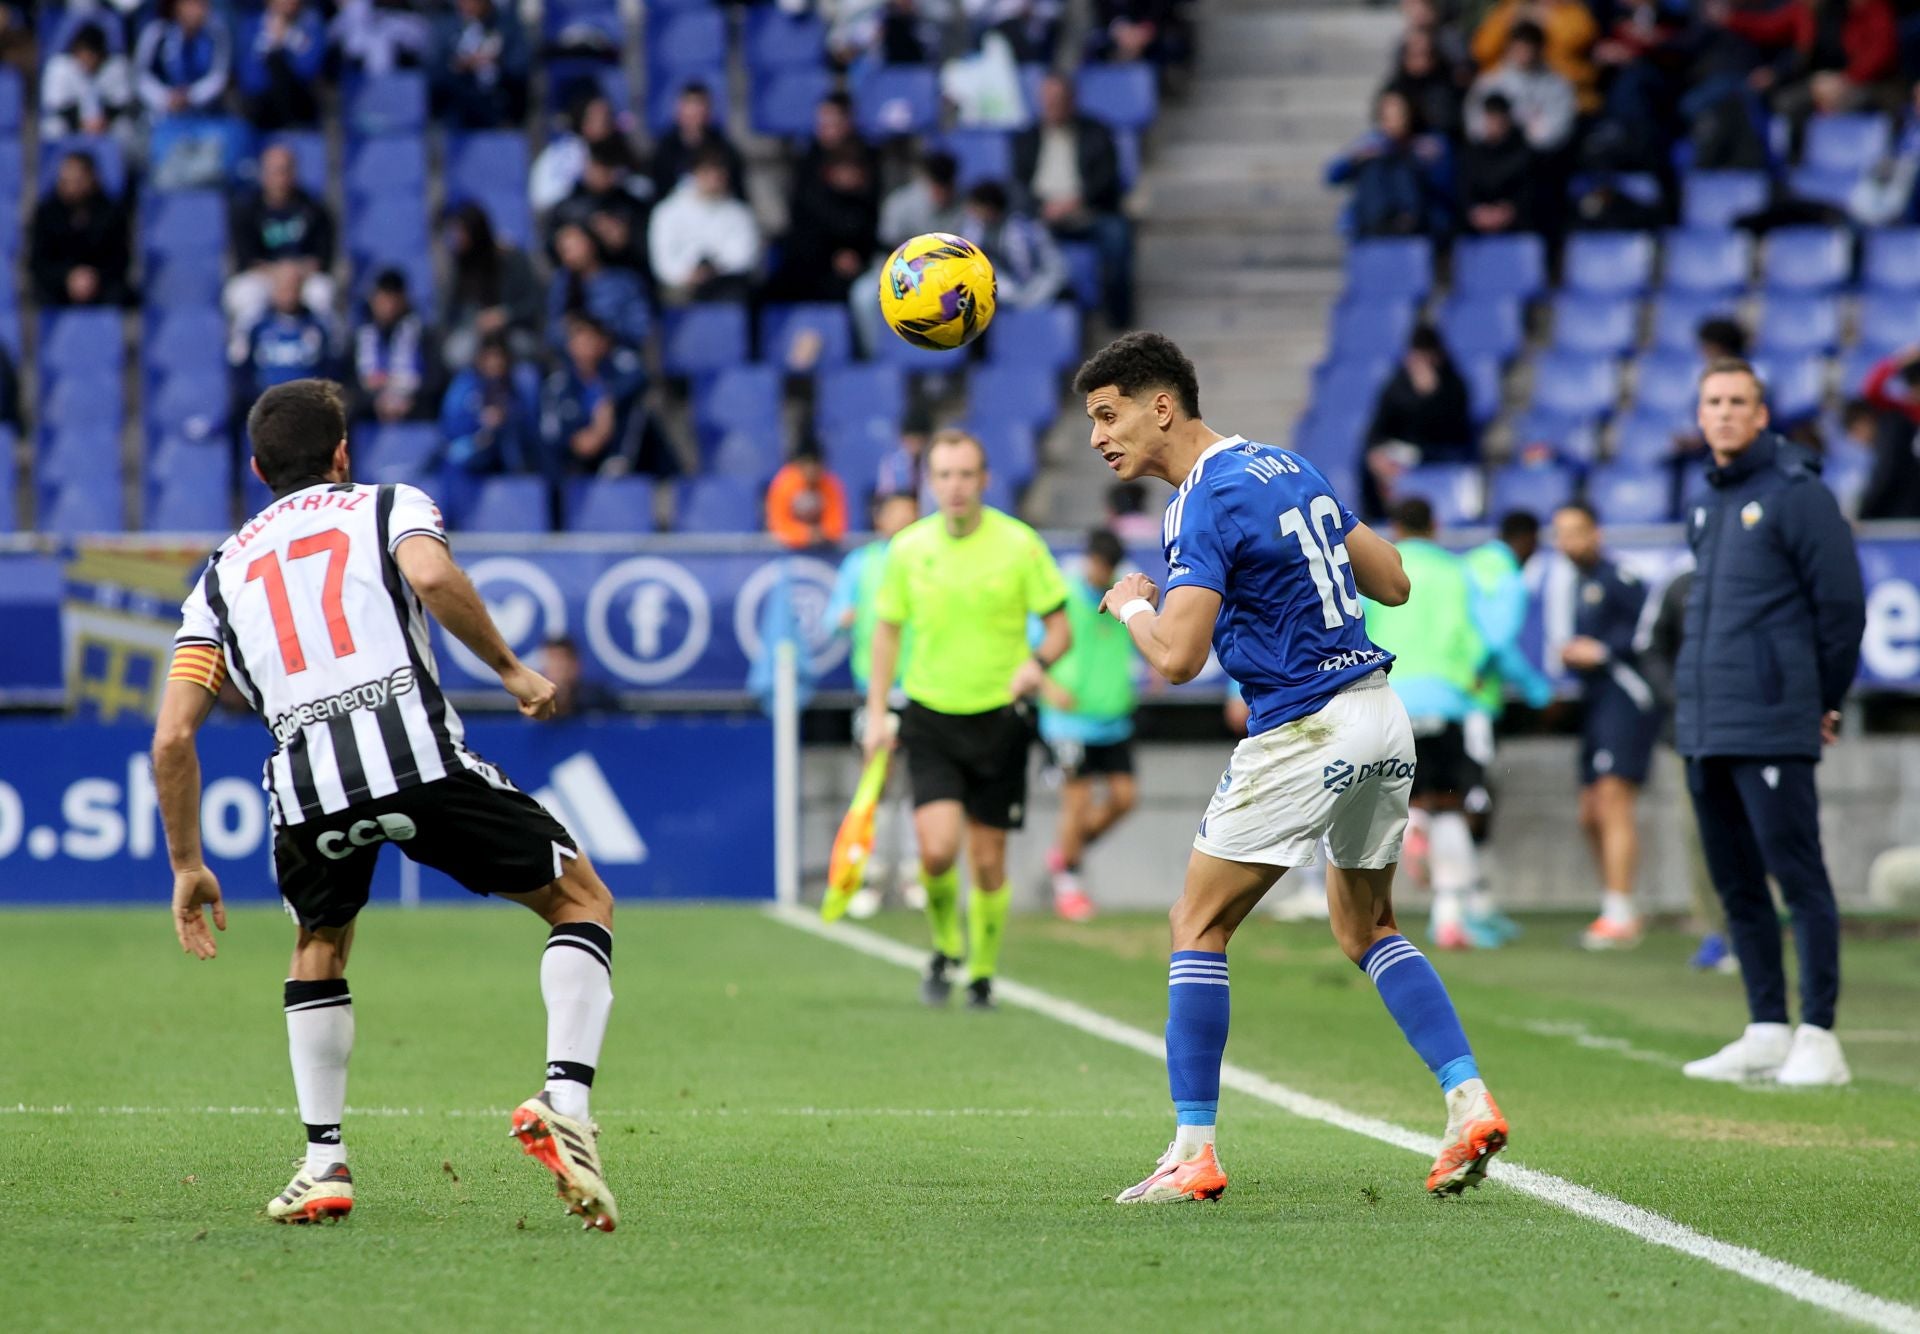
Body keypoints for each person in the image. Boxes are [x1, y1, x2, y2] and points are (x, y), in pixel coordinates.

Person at [153, 378, 619, 1230]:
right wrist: (512, 669)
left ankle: (323, 1163)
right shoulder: (388, 503)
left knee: (319, 942)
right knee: (583, 900)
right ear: (342, 453)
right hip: (416, 761)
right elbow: (432, 575)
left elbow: (174, 739)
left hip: (307, 794)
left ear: (258, 470)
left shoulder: (217, 577)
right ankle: (565, 1104)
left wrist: (188, 865)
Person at [1072, 331, 1506, 1204]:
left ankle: (1192, 1149)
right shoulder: (1285, 465)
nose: (1097, 437)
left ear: (1163, 406)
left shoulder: (1199, 503)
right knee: (1368, 928)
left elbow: (1179, 658)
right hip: (1383, 717)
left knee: (1196, 923)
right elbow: (1394, 583)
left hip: (1304, 729)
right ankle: (1468, 1101)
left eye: (1108, 414)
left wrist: (1129, 608)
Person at [1677, 359, 1865, 1087]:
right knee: (1735, 883)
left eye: (1738, 402)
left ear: (1762, 415)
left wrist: (1825, 696)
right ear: (1700, 415)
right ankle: (1764, 1027)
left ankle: (1818, 1034)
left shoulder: (1799, 495)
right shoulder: (1707, 502)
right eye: (1713, 401)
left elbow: (1842, 608)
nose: (1724, 413)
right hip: (1706, 724)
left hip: (1772, 721)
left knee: (1799, 876)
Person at [864, 430, 1073, 1011]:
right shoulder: (906, 549)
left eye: (965, 475)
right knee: (935, 851)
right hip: (929, 715)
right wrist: (878, 711)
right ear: (929, 483)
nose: (955, 487)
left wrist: (1036, 664)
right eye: (944, 476)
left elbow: (1060, 629)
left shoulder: (1020, 545)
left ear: (984, 480)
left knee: (986, 861)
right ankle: (943, 945)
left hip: (1000, 720)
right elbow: (886, 632)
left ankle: (981, 971)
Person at [1365, 499, 1495, 951]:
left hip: (1391, 696)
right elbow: (1474, 637)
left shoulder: (1379, 566)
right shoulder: (1458, 572)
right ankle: (1449, 917)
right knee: (1451, 807)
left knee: (1405, 795)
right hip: (1446, 699)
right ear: (1436, 525)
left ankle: (1412, 822)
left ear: (1396, 526)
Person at [1552, 501, 1661, 951]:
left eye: (1577, 531)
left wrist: (1602, 652)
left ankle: (1619, 910)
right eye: (1561, 533)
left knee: (1614, 799)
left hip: (1626, 696)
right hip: (1595, 701)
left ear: (1596, 532)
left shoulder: (1621, 578)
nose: (1569, 541)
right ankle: (1617, 904)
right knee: (1590, 810)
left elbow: (1650, 631)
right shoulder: (1575, 584)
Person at [829, 491, 924, 918]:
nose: (903, 523)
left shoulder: (926, 560)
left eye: (911, 516)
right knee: (876, 788)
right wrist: (843, 618)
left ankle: (912, 876)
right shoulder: (860, 564)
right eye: (896, 516)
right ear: (880, 520)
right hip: (876, 692)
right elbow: (835, 617)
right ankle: (871, 877)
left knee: (918, 787)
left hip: (922, 689)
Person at [1039, 528, 1141, 923]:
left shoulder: (1126, 598)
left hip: (1112, 715)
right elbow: (1033, 643)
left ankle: (1066, 854)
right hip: (1068, 719)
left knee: (1124, 798)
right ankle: (1068, 883)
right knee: (1077, 799)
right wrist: (1047, 685)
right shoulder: (1061, 594)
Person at [1460, 509, 1553, 942]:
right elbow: (1496, 645)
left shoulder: (1466, 565)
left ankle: (1469, 900)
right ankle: (1470, 905)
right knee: (1474, 799)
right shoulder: (1509, 579)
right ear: (1529, 540)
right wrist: (1537, 691)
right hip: (1472, 702)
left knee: (1451, 797)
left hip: (1428, 698)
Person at [1643, 566, 1734, 973]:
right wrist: (1676, 696)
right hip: (1692, 736)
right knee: (1700, 834)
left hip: (1750, 731)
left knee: (1757, 833)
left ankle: (1749, 934)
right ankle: (1715, 932)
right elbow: (1652, 647)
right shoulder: (1681, 587)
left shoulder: (1757, 581)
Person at [1013, 72, 1134, 327]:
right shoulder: (1027, 137)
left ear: (1072, 100)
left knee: (1117, 234)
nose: (1052, 106)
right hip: (1041, 215)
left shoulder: (1096, 132)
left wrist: (1075, 201)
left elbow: (1107, 177)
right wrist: (1042, 208)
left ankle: (1118, 317)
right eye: (1047, 100)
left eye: (1058, 100)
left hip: (1087, 210)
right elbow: (1017, 183)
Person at [227, 144, 337, 349]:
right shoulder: (247, 210)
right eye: (275, 171)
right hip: (264, 277)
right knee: (244, 294)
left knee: (322, 292)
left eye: (286, 170)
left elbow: (322, 258)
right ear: (263, 174)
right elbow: (246, 259)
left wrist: (294, 273)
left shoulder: (314, 208)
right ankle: (245, 360)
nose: (280, 177)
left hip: (303, 277)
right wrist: (280, 274)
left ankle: (321, 356)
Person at [1363, 324, 1475, 516]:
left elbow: (1453, 430)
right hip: (1405, 450)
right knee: (1369, 462)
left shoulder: (1454, 385)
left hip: (1442, 451)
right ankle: (1378, 518)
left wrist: (1429, 397)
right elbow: (1379, 426)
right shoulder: (1397, 384)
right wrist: (1377, 454)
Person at [541, 313, 669, 478]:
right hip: (575, 456)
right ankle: (555, 491)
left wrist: (607, 404)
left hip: (617, 449)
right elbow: (552, 430)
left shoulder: (619, 367)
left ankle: (620, 463)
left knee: (637, 409)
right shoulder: (559, 384)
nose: (585, 345)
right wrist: (579, 440)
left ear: (602, 342)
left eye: (590, 338)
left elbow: (640, 376)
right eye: (579, 339)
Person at [1325, 88, 1452, 240]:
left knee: (1403, 167)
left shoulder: (1426, 145)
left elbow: (1446, 185)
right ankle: (1382, 220)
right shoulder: (1370, 144)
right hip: (1374, 217)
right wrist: (1356, 158)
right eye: (1387, 116)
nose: (1394, 122)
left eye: (1399, 115)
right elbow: (1331, 175)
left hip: (1419, 217)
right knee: (1375, 167)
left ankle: (1404, 219)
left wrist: (1429, 162)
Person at [647, 147, 763, 306]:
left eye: (720, 173)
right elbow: (663, 262)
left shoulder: (739, 213)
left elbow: (745, 256)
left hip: (726, 285)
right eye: (709, 172)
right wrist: (688, 274)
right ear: (695, 174)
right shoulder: (667, 212)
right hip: (680, 287)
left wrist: (714, 270)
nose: (716, 178)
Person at [769, 146, 880, 304]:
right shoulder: (811, 202)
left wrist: (859, 261)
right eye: (845, 169)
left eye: (855, 169)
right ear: (831, 172)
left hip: (855, 274)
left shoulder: (866, 205)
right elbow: (802, 244)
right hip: (813, 271)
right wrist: (833, 259)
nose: (851, 175)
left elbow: (870, 242)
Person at [441, 202, 543, 369]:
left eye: (461, 232)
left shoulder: (512, 259)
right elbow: (449, 314)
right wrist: (476, 321)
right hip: (475, 333)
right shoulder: (460, 266)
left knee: (525, 348)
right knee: (456, 354)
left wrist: (504, 316)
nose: (457, 237)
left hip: (513, 330)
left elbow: (533, 303)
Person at [29, 151, 130, 309]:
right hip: (58, 286)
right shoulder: (47, 214)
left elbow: (120, 259)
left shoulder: (111, 213)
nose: (70, 186)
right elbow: (38, 262)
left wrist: (93, 278)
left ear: (91, 179)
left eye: (77, 181)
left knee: (121, 296)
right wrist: (68, 277)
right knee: (39, 297)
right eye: (65, 181)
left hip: (101, 285)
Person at [1466, 21, 1576, 155]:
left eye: (1529, 47)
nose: (1525, 53)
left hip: (1539, 160)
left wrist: (1523, 136)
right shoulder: (1489, 82)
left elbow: (1558, 129)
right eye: (1520, 47)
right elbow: (1474, 123)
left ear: (1540, 49)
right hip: (1493, 156)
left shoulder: (1557, 85)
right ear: (1509, 47)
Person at [439, 333, 540, 477]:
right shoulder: (465, 385)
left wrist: (507, 416)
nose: (495, 363)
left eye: (499, 357)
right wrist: (479, 422)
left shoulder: (518, 385)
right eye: (489, 357)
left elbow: (531, 424)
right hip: (473, 451)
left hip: (509, 454)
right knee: (456, 456)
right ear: (480, 359)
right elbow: (451, 426)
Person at [960, 181, 1067, 310]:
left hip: (1042, 296)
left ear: (989, 209)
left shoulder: (1031, 229)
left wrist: (1031, 297)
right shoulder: (975, 233)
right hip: (1008, 299)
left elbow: (1057, 271)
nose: (972, 214)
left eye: (975, 208)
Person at [549, 222, 651, 351]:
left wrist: (601, 332)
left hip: (619, 356)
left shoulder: (623, 282)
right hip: (576, 364)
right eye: (565, 250)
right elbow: (552, 333)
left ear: (591, 242)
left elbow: (640, 327)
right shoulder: (562, 287)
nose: (572, 253)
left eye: (576, 245)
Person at [350, 269, 435, 425]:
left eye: (392, 299)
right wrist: (373, 402)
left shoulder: (422, 336)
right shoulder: (360, 336)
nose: (388, 306)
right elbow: (349, 380)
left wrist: (408, 402)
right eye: (383, 298)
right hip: (368, 416)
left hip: (413, 414)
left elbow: (435, 379)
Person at [242, 261, 333, 398]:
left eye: (293, 286)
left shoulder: (317, 327)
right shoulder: (258, 327)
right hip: (266, 404)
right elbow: (245, 372)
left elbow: (329, 370)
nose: (289, 293)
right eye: (284, 286)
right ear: (274, 288)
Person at [40, 20, 136, 148]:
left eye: (92, 55)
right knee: (52, 128)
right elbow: (55, 104)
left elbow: (122, 103)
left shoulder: (116, 67)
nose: (87, 60)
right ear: (75, 51)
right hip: (71, 126)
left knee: (125, 130)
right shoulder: (60, 67)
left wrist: (102, 121)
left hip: (105, 126)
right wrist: (80, 123)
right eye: (83, 54)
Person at [436, 0, 529, 130]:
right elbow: (434, 74)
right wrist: (459, 66)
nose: (467, 5)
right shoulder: (445, 28)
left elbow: (521, 67)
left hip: (502, 107)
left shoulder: (508, 26)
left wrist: (496, 62)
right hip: (460, 112)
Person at [649, 82, 746, 201]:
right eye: (689, 105)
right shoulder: (665, 149)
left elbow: (737, 190)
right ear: (679, 109)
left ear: (708, 110)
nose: (694, 112)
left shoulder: (723, 148)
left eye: (699, 106)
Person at [134, 0, 231, 120]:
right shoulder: (157, 33)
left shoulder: (216, 33)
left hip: (203, 113)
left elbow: (219, 74)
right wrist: (165, 98)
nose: (198, 11)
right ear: (178, 6)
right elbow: (141, 75)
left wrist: (191, 96)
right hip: (160, 112)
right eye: (191, 4)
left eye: (202, 5)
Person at [236, 0, 325, 130]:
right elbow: (250, 82)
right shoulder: (251, 26)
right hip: (263, 121)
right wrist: (269, 45)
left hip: (303, 120)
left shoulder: (312, 24)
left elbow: (309, 71)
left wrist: (288, 38)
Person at [1457, 92, 1537, 236]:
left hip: (1516, 226)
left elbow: (1527, 192)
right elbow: (1464, 191)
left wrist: (1509, 211)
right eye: (1491, 117)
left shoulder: (1523, 153)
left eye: (1500, 118)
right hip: (1476, 228)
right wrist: (1476, 212)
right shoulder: (1471, 154)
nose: (1495, 123)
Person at [765, 441, 850, 549]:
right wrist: (805, 535)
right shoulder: (784, 484)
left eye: (816, 464)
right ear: (798, 465)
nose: (811, 469)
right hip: (786, 552)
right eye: (806, 464)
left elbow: (837, 525)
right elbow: (778, 525)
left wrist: (823, 533)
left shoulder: (831, 484)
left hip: (824, 551)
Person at [537, 634, 619, 718]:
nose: (557, 666)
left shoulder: (596, 699)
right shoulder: (530, 700)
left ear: (576, 664)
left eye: (562, 659)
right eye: (552, 658)